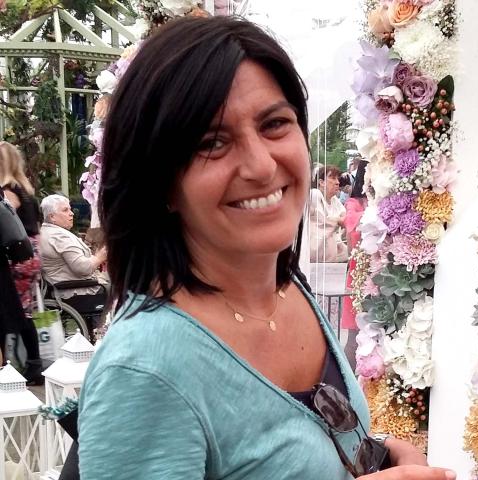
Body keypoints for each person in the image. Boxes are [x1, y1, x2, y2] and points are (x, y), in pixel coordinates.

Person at [78, 16, 454, 480]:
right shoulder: (142, 370)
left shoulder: (286, 286)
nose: (260, 165)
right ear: (161, 183)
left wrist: (380, 454)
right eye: (212, 142)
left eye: (274, 124)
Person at [0, 143, 43, 385]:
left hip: (17, 257)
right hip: (31, 253)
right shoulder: (25, 188)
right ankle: (32, 364)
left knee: (12, 310)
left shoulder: (7, 191)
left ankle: (20, 366)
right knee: (23, 311)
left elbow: (6, 222)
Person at [39, 194, 107, 298]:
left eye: (70, 209)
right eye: (65, 210)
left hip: (61, 289)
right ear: (52, 217)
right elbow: (83, 268)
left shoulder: (45, 231)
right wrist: (99, 257)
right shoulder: (59, 237)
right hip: (77, 292)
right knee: (119, 290)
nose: (71, 213)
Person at [341, 160, 369, 370]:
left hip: (375, 271)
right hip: (358, 272)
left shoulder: (376, 203)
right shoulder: (353, 204)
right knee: (354, 334)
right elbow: (352, 229)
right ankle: (345, 378)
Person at [309, 165, 348, 263]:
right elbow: (323, 221)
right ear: (321, 182)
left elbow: (346, 219)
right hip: (314, 255)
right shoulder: (314, 194)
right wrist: (338, 220)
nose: (337, 182)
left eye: (338, 179)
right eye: (333, 178)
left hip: (331, 254)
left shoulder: (334, 200)